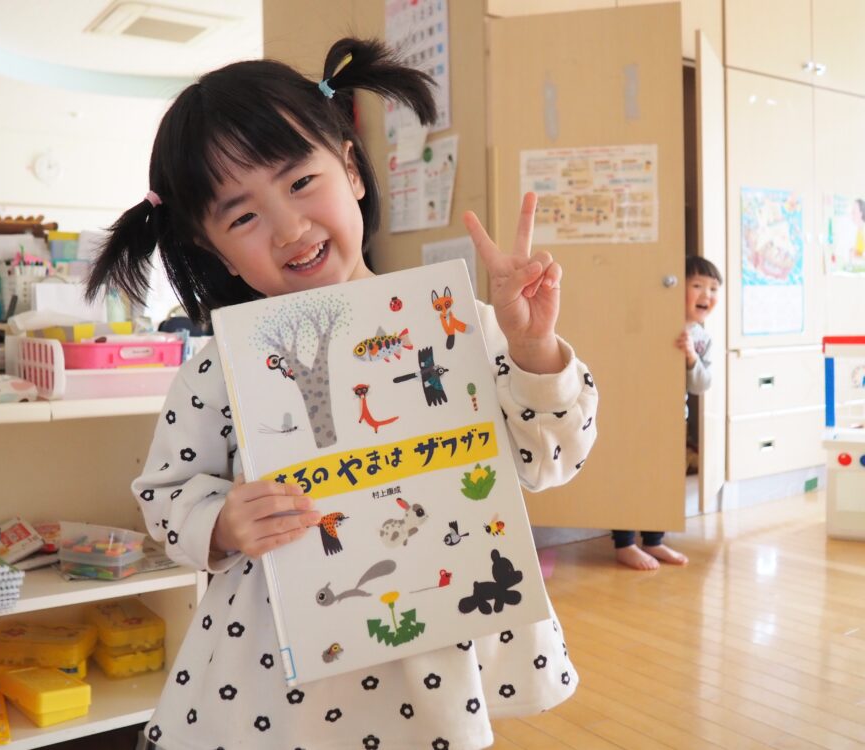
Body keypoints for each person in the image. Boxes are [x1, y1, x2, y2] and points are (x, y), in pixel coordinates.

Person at [87, 37, 598, 750]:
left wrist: (533, 347)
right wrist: (223, 521)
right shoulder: (218, 369)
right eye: (242, 217)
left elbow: (550, 461)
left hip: (435, 629)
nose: (290, 229)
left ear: (352, 170)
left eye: (301, 182)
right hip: (279, 660)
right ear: (211, 248)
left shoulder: (460, 325)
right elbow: (166, 497)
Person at [613, 255, 722, 571]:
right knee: (632, 475)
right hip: (637, 413)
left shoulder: (702, 338)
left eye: (713, 289)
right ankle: (625, 543)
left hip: (674, 418)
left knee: (663, 479)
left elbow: (702, 384)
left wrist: (690, 358)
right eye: (697, 286)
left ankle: (654, 540)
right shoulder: (655, 322)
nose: (706, 295)